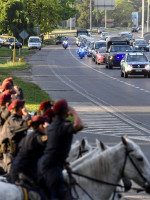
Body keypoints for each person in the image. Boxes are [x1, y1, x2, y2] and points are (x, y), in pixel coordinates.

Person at [38, 99, 83, 200]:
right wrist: (74, 113)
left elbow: (56, 147)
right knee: (57, 195)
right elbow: (79, 125)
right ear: (65, 111)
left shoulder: (52, 126)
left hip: (45, 163)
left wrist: (65, 164)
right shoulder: (63, 126)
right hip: (52, 167)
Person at [9, 115, 48, 185]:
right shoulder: (38, 137)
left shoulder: (28, 136)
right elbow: (45, 139)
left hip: (15, 170)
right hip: (24, 173)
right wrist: (49, 130)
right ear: (41, 126)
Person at [0, 99, 31, 172]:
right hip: (10, 154)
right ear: (20, 108)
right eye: (23, 107)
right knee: (11, 176)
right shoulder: (13, 120)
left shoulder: (17, 119)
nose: (25, 108)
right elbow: (27, 124)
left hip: (15, 153)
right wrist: (26, 115)